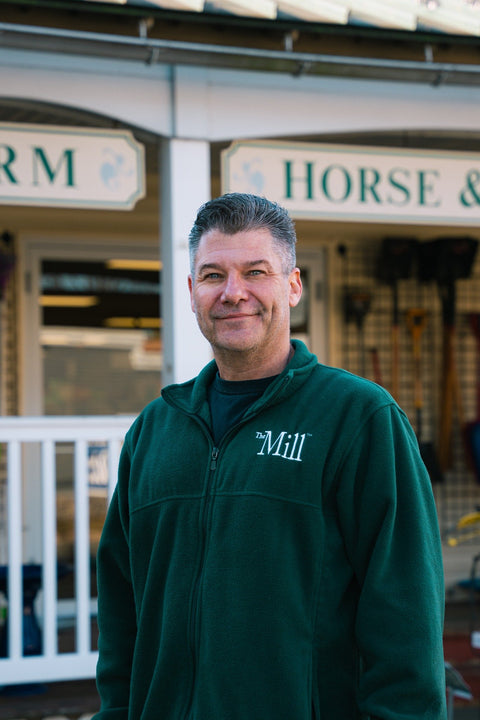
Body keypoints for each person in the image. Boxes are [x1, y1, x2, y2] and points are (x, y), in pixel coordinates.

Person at [93, 193, 446, 720]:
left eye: (255, 271)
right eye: (213, 275)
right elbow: (123, 614)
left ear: (293, 285)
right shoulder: (154, 432)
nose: (234, 293)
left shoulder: (358, 419)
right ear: (192, 293)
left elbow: (405, 614)